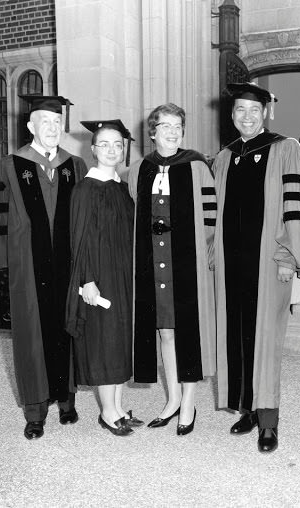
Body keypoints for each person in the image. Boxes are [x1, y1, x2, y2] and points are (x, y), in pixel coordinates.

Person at [211, 82, 300, 453]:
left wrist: (290, 256)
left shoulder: (286, 149)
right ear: (232, 115)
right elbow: (214, 217)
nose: (246, 116)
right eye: (240, 110)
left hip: (270, 262)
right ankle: (247, 409)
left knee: (267, 339)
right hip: (231, 264)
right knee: (238, 334)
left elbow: (298, 206)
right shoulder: (224, 157)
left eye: (253, 110)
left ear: (266, 113)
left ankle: (269, 420)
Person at [0, 96, 87, 440]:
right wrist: (2, 261)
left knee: (68, 328)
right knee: (31, 337)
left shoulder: (76, 165)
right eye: (45, 122)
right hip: (29, 267)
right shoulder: (10, 166)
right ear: (31, 127)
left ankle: (68, 402)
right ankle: (35, 412)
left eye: (57, 123)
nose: (52, 128)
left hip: (68, 266)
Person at [128, 103, 216, 436]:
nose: (173, 131)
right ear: (152, 131)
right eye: (165, 125)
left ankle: (189, 403)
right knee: (165, 331)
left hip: (187, 261)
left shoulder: (196, 166)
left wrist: (206, 255)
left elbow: (210, 217)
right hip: (154, 261)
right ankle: (173, 398)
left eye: (178, 125)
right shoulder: (139, 169)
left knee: (187, 331)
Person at [65, 119, 140, 436]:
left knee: (120, 340)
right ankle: (108, 412)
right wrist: (87, 280)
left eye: (118, 144)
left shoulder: (122, 190)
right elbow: (79, 240)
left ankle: (119, 408)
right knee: (105, 342)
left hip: (123, 276)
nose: (112, 150)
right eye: (105, 144)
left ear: (124, 150)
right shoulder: (85, 189)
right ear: (92, 149)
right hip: (100, 277)